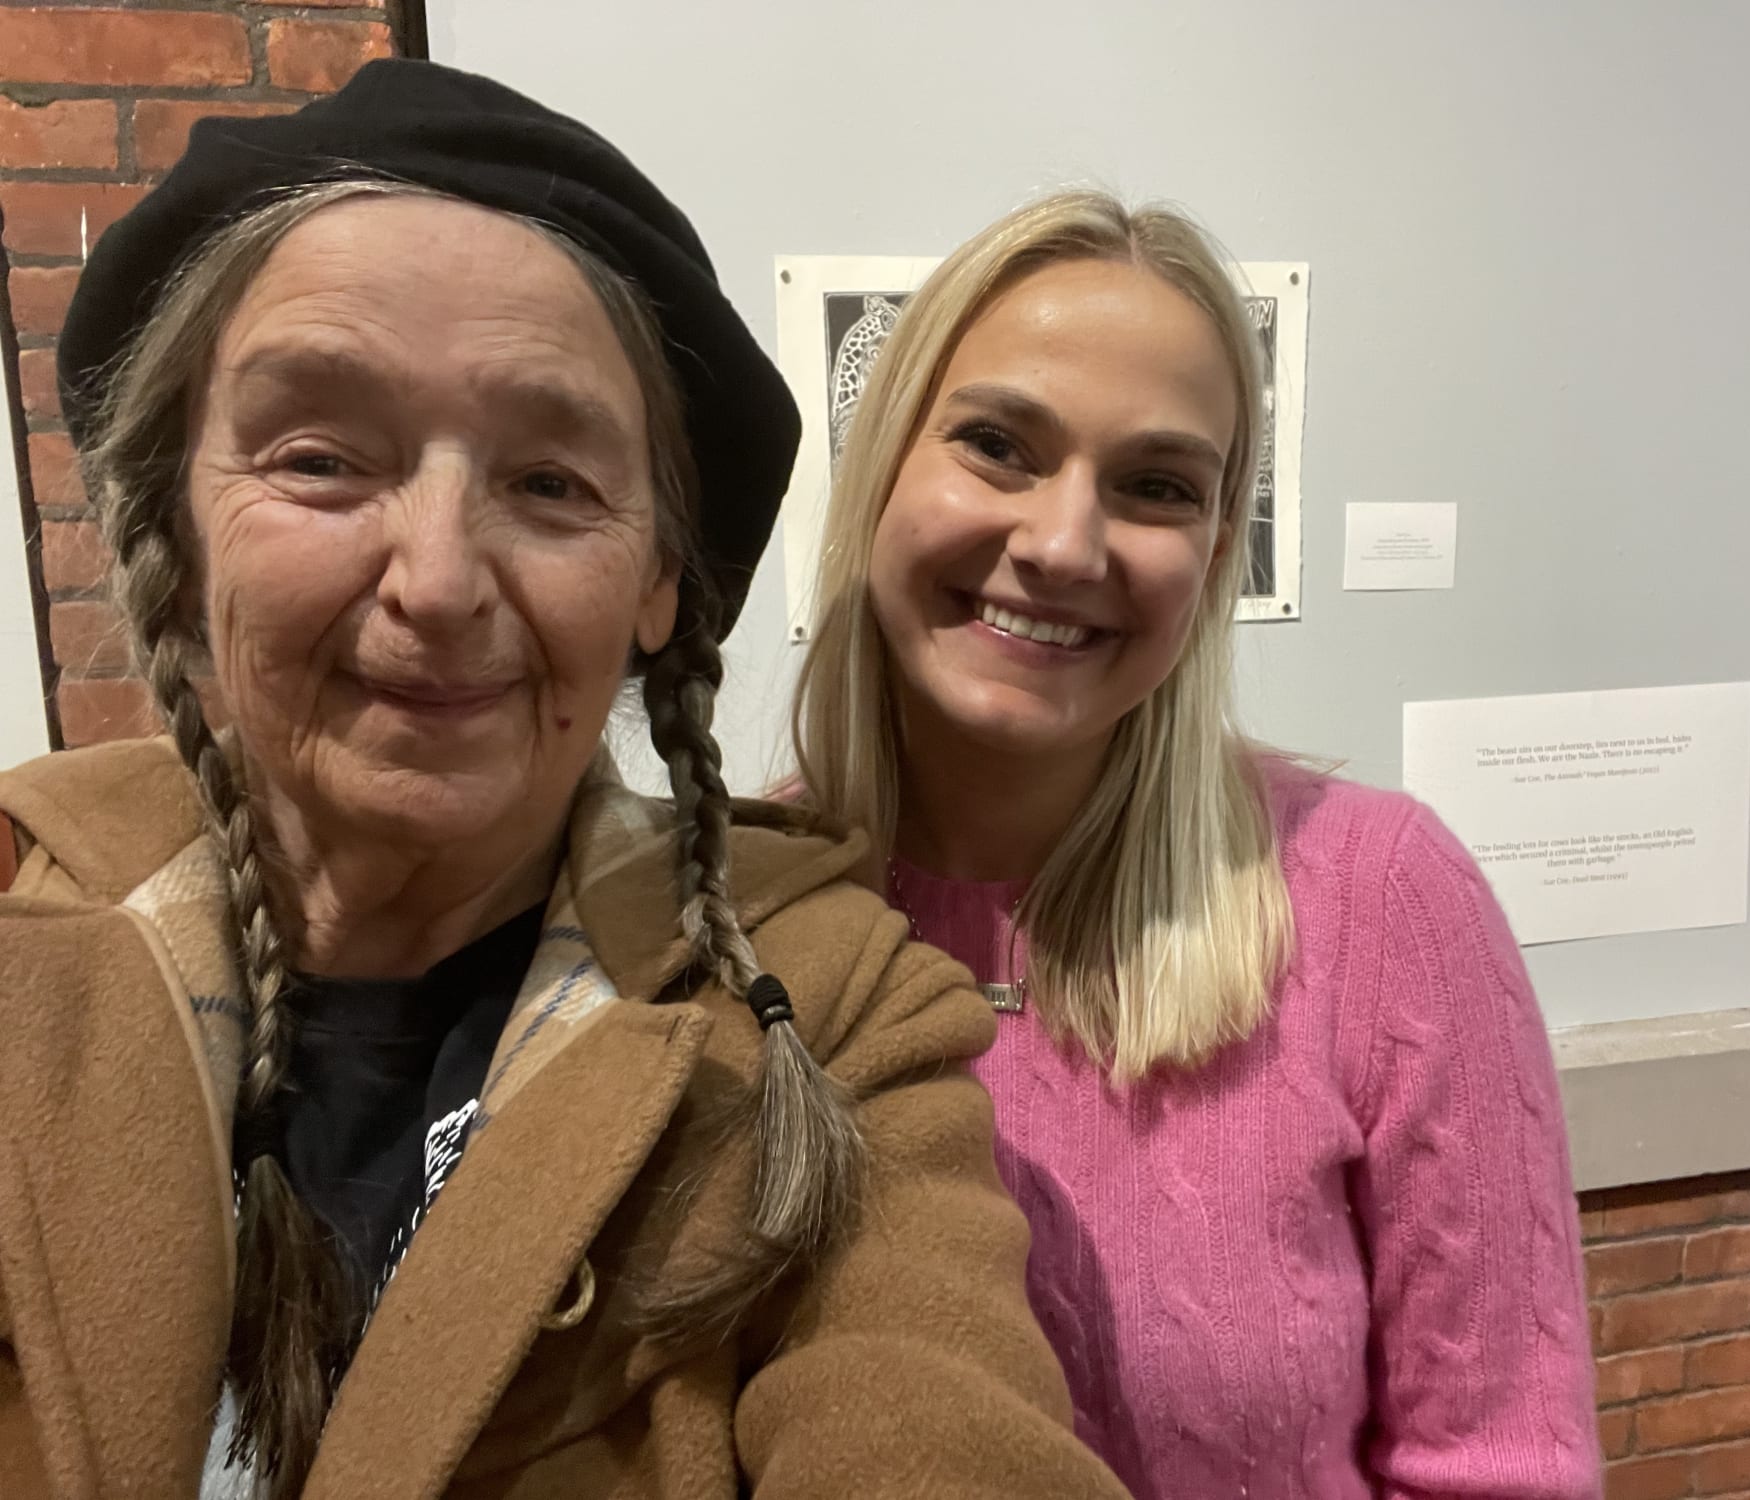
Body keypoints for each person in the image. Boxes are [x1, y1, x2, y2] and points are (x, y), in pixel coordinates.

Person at [0, 65, 1128, 1500]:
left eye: (551, 487)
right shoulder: (23, 921)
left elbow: (936, 1417)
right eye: (321, 457)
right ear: (181, 516)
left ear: (660, 577)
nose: (440, 580)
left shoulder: (831, 1007)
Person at [790, 190, 1603, 1499]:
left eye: (1156, 485)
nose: (1061, 543)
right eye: (999, 444)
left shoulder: (1381, 900)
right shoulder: (732, 917)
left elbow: (1501, 1467)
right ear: (880, 466)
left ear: (1216, 551)